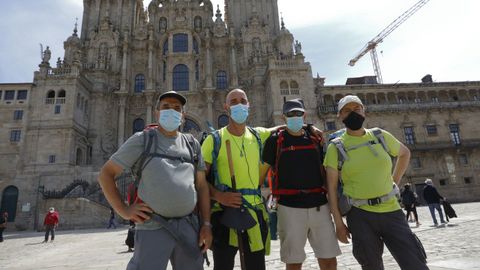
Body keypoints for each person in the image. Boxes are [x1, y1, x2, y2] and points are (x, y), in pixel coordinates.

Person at [98, 91, 212, 270]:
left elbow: (202, 186)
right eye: (166, 107)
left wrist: (206, 224)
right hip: (153, 226)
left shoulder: (192, 144)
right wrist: (124, 211)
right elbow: (106, 174)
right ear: (157, 113)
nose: (172, 111)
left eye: (177, 108)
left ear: (183, 116)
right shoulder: (142, 140)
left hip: (189, 227)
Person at [324, 95, 428, 270]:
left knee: (415, 263)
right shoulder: (336, 147)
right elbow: (332, 189)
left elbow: (404, 153)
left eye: (357, 109)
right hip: (359, 214)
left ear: (364, 111)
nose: (353, 113)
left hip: (392, 210)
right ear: (340, 116)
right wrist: (339, 223)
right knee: (371, 266)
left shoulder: (380, 136)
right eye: (347, 110)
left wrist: (394, 181)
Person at [262, 99, 341, 270]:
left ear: (304, 115)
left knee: (329, 259)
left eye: (298, 113)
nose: (295, 117)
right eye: (291, 114)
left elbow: (326, 170)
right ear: (284, 117)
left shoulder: (315, 138)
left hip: (319, 206)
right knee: (294, 262)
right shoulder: (275, 141)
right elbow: (262, 173)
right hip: (289, 208)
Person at [201, 89, 274, 270]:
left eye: (243, 100)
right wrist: (218, 196)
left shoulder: (258, 135)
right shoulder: (214, 139)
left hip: (254, 214)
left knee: (256, 267)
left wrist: (307, 127)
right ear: (226, 107)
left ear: (249, 105)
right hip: (224, 214)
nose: (239, 104)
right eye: (233, 101)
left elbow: (279, 129)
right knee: (223, 266)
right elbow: (199, 181)